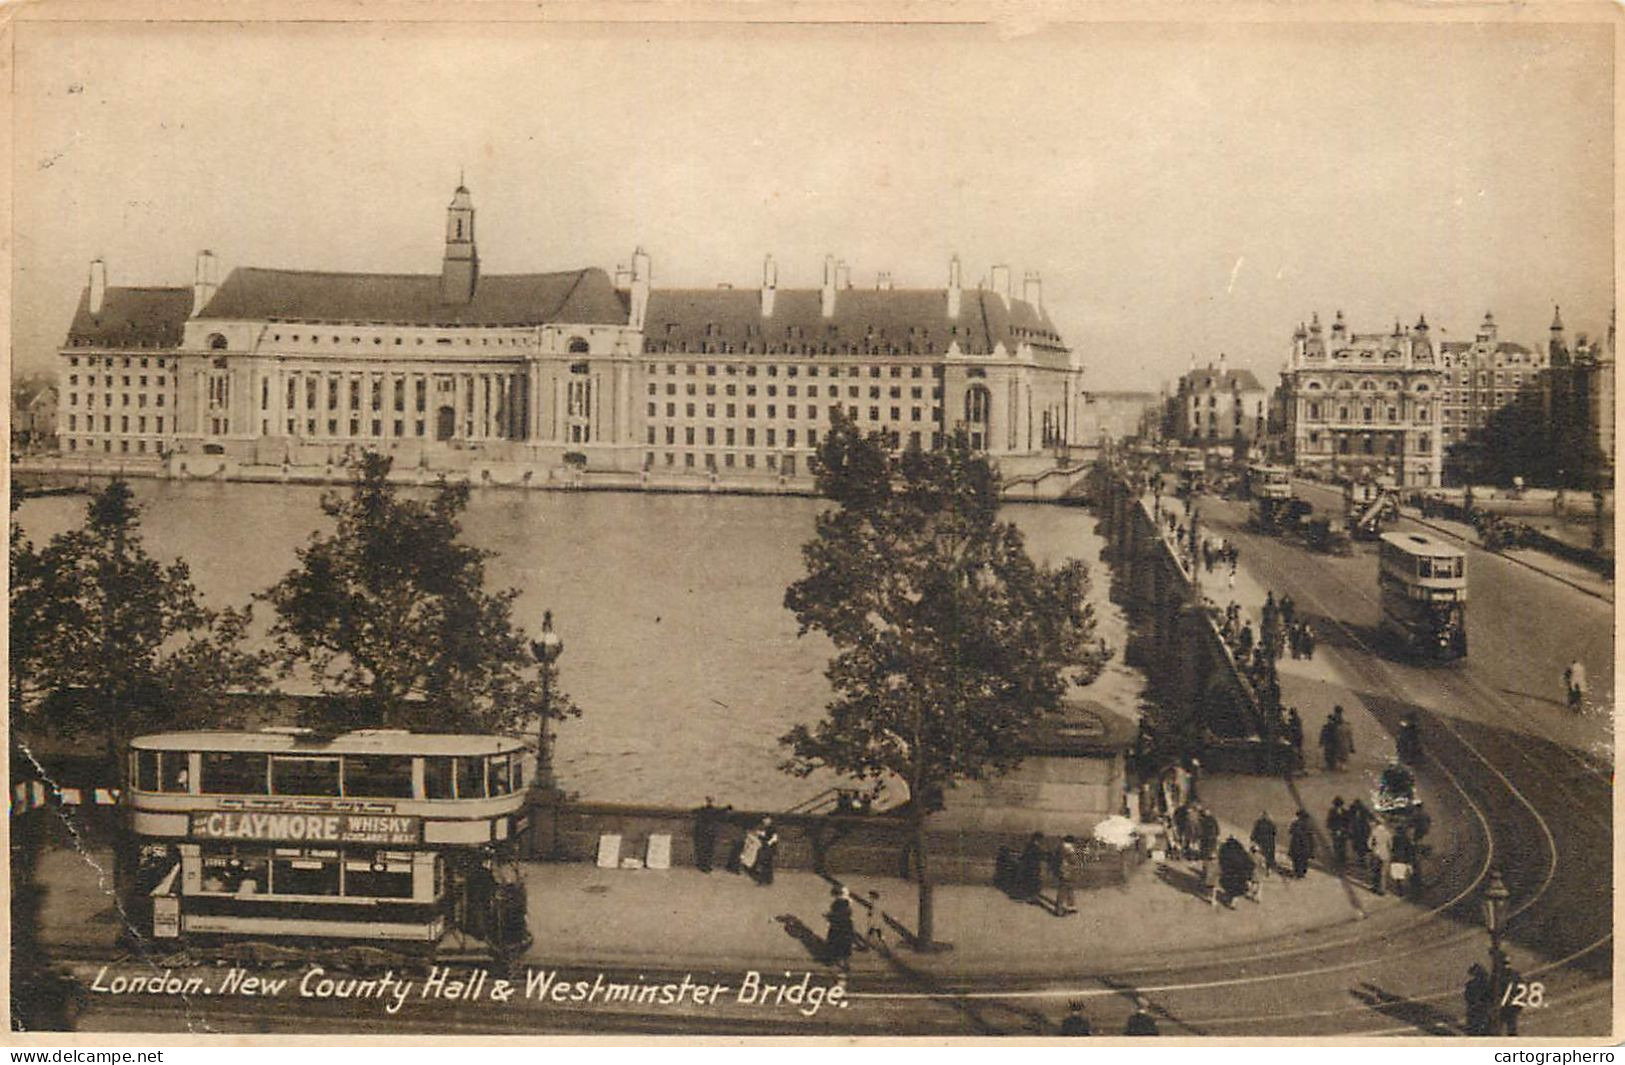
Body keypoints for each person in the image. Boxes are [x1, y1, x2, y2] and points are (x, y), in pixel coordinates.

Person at [693, 796, 729, 873]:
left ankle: (702, 865)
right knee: (708, 850)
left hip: (702, 832)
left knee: (702, 850)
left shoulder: (702, 810)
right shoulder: (712, 811)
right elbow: (719, 813)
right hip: (710, 833)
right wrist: (727, 808)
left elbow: (694, 811)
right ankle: (705, 866)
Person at [824, 885, 855, 970]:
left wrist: (828, 916)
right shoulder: (848, 902)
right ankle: (846, 963)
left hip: (837, 925)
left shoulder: (837, 903)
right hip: (847, 925)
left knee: (835, 942)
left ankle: (833, 960)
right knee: (846, 944)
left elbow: (836, 914)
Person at [1217, 835, 1252, 906]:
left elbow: (1221, 858)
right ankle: (1233, 902)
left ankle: (1228, 898)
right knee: (1237, 888)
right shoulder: (1241, 850)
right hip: (1241, 873)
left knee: (1229, 885)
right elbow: (1249, 863)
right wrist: (1248, 877)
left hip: (1230, 871)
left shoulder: (1225, 848)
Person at [1017, 831, 1046, 905]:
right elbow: (1041, 856)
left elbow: (1023, 856)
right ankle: (1031, 897)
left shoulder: (1028, 846)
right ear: (1038, 839)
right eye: (1041, 839)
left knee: (1029, 881)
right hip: (1033, 867)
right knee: (1034, 882)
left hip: (1028, 866)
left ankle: (1027, 896)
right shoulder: (1036, 847)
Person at [1054, 835, 1080, 916]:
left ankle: (1068, 907)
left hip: (1062, 870)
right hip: (1068, 871)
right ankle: (1060, 909)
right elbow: (1073, 860)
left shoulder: (1059, 848)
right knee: (1065, 889)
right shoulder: (1069, 849)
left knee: (1065, 889)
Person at [1464, 963, 1492, 1035]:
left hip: (1475, 1009)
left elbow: (1467, 997)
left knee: (1473, 1027)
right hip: (1485, 1008)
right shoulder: (1488, 983)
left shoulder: (1470, 985)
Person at [751, 817, 780, 886]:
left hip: (768, 849)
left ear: (770, 820)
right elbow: (764, 835)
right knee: (767, 864)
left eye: (766, 819)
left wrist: (768, 843)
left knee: (764, 863)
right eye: (764, 819)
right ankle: (768, 880)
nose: (765, 821)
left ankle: (762, 880)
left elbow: (774, 838)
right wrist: (759, 834)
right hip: (765, 848)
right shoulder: (765, 828)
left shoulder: (772, 828)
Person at [1288, 809, 1316, 878]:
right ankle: (1301, 872)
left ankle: (1298, 872)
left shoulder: (1295, 823)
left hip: (1297, 843)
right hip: (1304, 844)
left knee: (1297, 858)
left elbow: (1290, 831)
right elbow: (1311, 836)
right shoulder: (1308, 824)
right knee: (1303, 859)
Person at [1249, 811, 1277, 875]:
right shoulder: (1271, 823)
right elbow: (1274, 832)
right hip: (1269, 842)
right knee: (1269, 856)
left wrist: (1252, 839)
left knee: (1258, 854)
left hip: (1260, 841)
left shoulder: (1258, 823)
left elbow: (1254, 832)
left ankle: (1260, 868)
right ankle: (1268, 869)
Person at [1327, 797, 1349, 866]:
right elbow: (1329, 821)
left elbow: (1347, 821)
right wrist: (1333, 829)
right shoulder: (1332, 812)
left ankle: (1342, 859)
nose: (1338, 806)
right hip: (1335, 830)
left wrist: (1345, 828)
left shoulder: (1345, 811)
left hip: (1343, 831)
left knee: (1343, 845)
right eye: (1337, 804)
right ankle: (1337, 859)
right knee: (1336, 845)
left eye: (1339, 804)